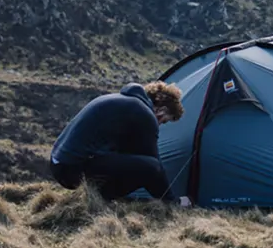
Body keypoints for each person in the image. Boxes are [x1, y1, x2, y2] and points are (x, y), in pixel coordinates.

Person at [49, 80, 184, 201]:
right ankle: (101, 198)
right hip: (72, 170)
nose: (159, 124)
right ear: (161, 109)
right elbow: (156, 168)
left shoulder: (124, 101)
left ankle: (99, 198)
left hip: (59, 165)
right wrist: (172, 201)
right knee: (152, 167)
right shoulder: (144, 114)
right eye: (164, 120)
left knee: (131, 161)